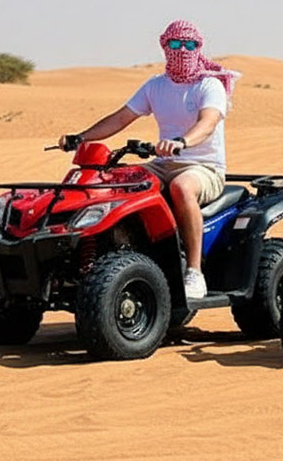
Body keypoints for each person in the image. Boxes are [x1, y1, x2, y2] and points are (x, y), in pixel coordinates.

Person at [59, 20, 238, 300]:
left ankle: (194, 271)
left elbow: (208, 123)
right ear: (164, 46)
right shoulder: (156, 86)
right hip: (162, 163)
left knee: (181, 187)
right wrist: (81, 138)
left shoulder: (209, 84)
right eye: (176, 44)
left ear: (199, 47)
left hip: (203, 167)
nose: (183, 50)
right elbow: (121, 117)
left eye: (190, 45)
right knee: (116, 183)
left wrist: (182, 142)